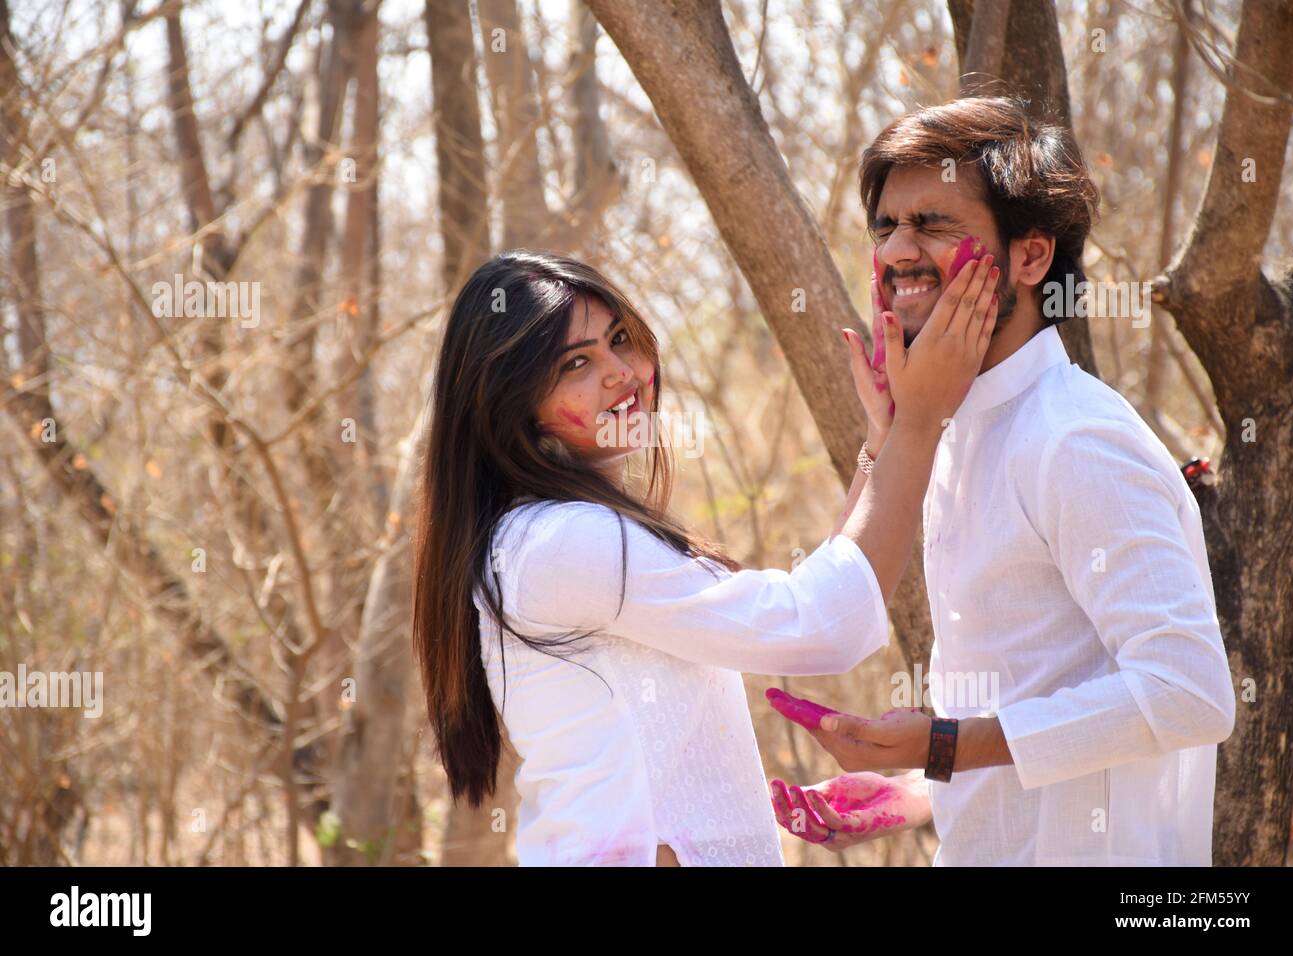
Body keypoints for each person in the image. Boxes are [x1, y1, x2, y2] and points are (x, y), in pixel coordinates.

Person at [412, 248, 998, 865]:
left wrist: (881, 444)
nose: (621, 372)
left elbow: (812, 597)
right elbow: (822, 622)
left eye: (619, 339)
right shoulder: (565, 542)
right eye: (577, 364)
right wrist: (920, 423)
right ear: (511, 404)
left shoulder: (541, 538)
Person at [769, 96, 1235, 866]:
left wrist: (946, 746)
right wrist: (921, 791)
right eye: (885, 226)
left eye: (933, 223)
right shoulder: (951, 433)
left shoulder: (1075, 438)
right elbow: (1036, 702)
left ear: (1030, 256)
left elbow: (1189, 693)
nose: (895, 253)